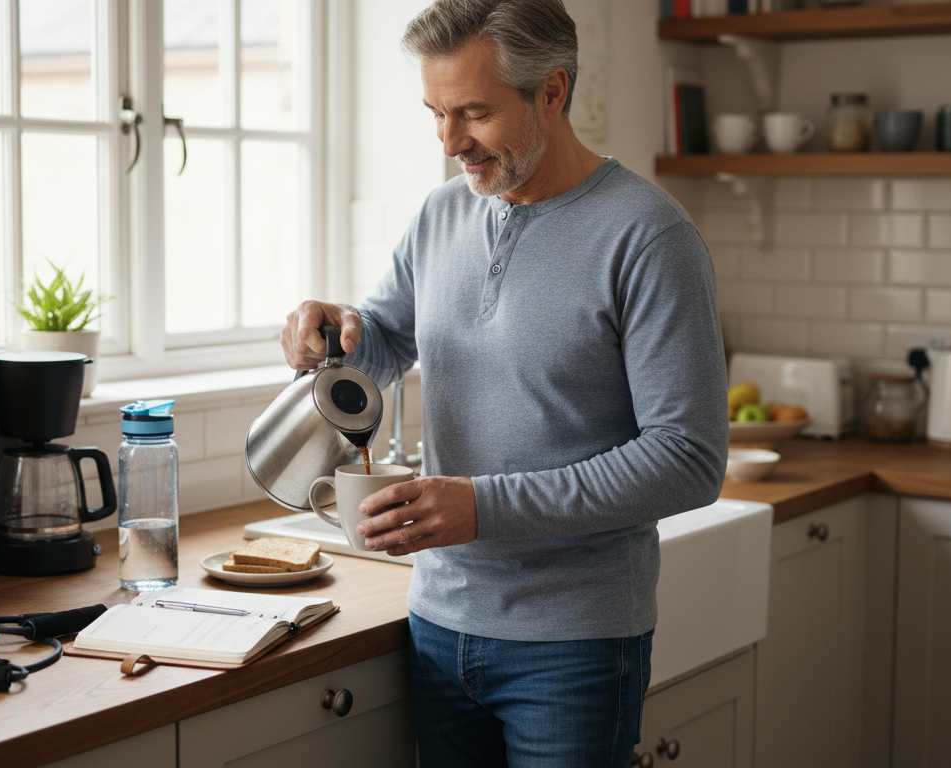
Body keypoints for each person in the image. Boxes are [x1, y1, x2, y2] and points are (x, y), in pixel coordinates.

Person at [279, 0, 727, 764]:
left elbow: (688, 459)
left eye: (475, 113)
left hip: (577, 644)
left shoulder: (648, 236)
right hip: (439, 621)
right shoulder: (441, 214)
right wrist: (334, 332)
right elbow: (383, 342)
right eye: (437, 113)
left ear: (551, 92)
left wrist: (483, 507)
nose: (451, 142)